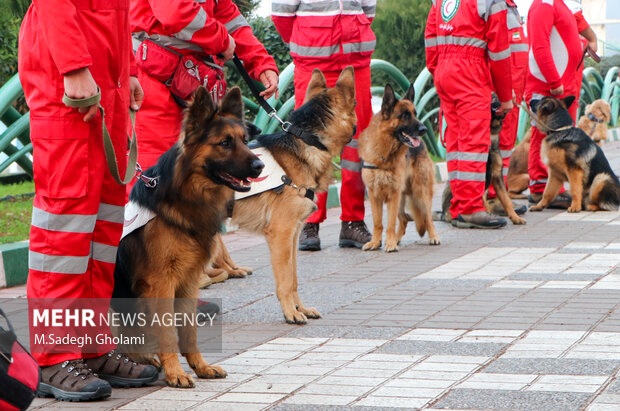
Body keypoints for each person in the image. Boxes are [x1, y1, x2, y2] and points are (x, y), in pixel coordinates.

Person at [18, 0, 158, 402]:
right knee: (64, 224)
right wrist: (75, 67)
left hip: (106, 74)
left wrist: (128, 68)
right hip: (69, 70)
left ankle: (92, 347)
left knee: (102, 225)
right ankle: (53, 355)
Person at [128, 0, 279, 183]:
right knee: (154, 176)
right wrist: (222, 40)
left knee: (188, 180)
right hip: (154, 81)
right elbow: (175, 13)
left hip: (187, 84)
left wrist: (260, 62)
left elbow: (229, 17)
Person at [272, 0, 376, 250]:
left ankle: (353, 221)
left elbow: (368, 10)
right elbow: (281, 15)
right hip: (313, 62)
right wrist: (310, 43)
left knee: (356, 141)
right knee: (309, 142)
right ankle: (309, 221)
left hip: (355, 62)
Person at [425, 0, 514, 229]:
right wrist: (505, 96)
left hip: (445, 70)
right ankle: (470, 209)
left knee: (456, 142)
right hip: (470, 72)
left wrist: (439, 69)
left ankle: (456, 206)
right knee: (473, 144)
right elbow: (500, 51)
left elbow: (431, 38)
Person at [525, 0, 595, 208]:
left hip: (563, 83)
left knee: (562, 140)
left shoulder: (560, 3)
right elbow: (539, 44)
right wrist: (554, 80)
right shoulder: (543, 4)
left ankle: (556, 188)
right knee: (542, 135)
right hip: (549, 84)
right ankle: (539, 188)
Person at [486, 0, 528, 217]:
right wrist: (502, 92)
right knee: (497, 146)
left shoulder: (511, 6)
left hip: (513, 90)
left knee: (506, 146)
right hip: (503, 91)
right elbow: (497, 50)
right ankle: (493, 196)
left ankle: (501, 195)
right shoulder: (496, 5)